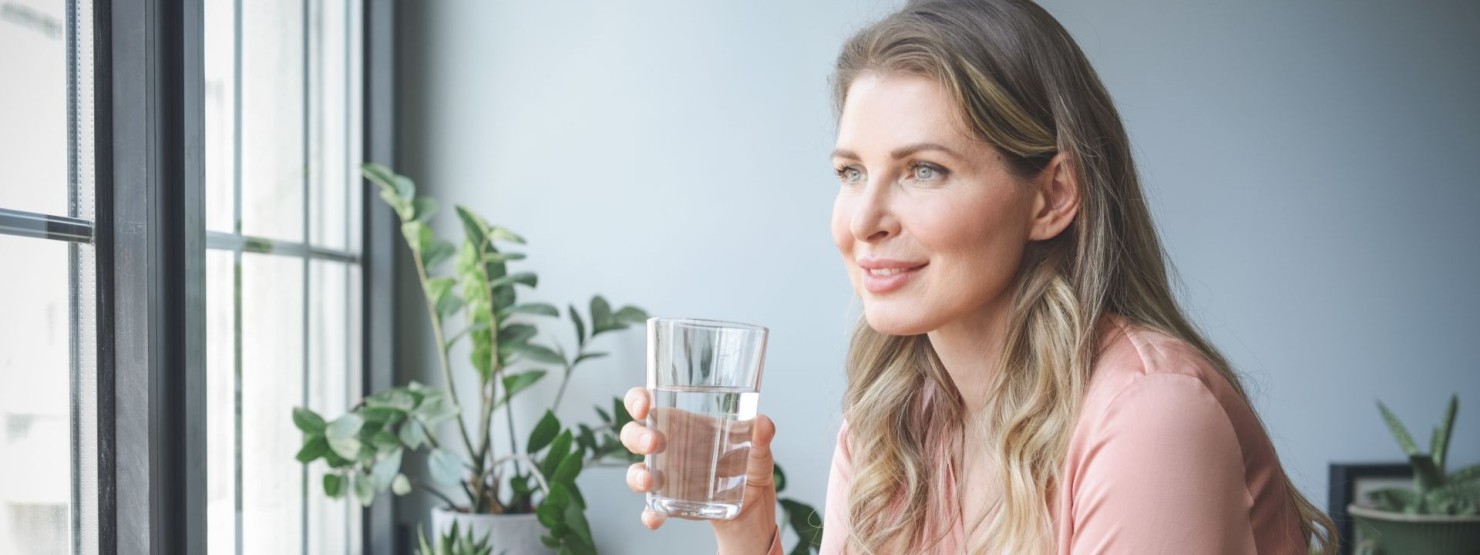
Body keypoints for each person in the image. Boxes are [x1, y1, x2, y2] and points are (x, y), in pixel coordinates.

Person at [620, 0, 1337, 552]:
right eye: (851, 172)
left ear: (1052, 196)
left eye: (922, 170)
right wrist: (748, 533)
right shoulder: (889, 424)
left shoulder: (1151, 417)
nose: (863, 218)